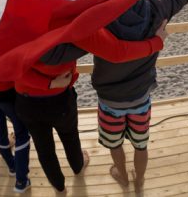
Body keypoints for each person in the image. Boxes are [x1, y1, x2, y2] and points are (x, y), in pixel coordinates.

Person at [92, 0, 188, 193]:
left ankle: (122, 175)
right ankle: (139, 181)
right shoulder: (156, 10)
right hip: (141, 96)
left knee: (115, 143)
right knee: (141, 144)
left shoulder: (98, 17)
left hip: (110, 99)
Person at [15, 17, 168, 193]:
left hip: (29, 101)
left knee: (44, 147)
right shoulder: (67, 28)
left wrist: (46, 83)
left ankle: (60, 187)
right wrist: (156, 42)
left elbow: (13, 69)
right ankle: (132, 179)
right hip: (65, 98)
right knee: (73, 137)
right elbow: (117, 51)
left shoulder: (19, 34)